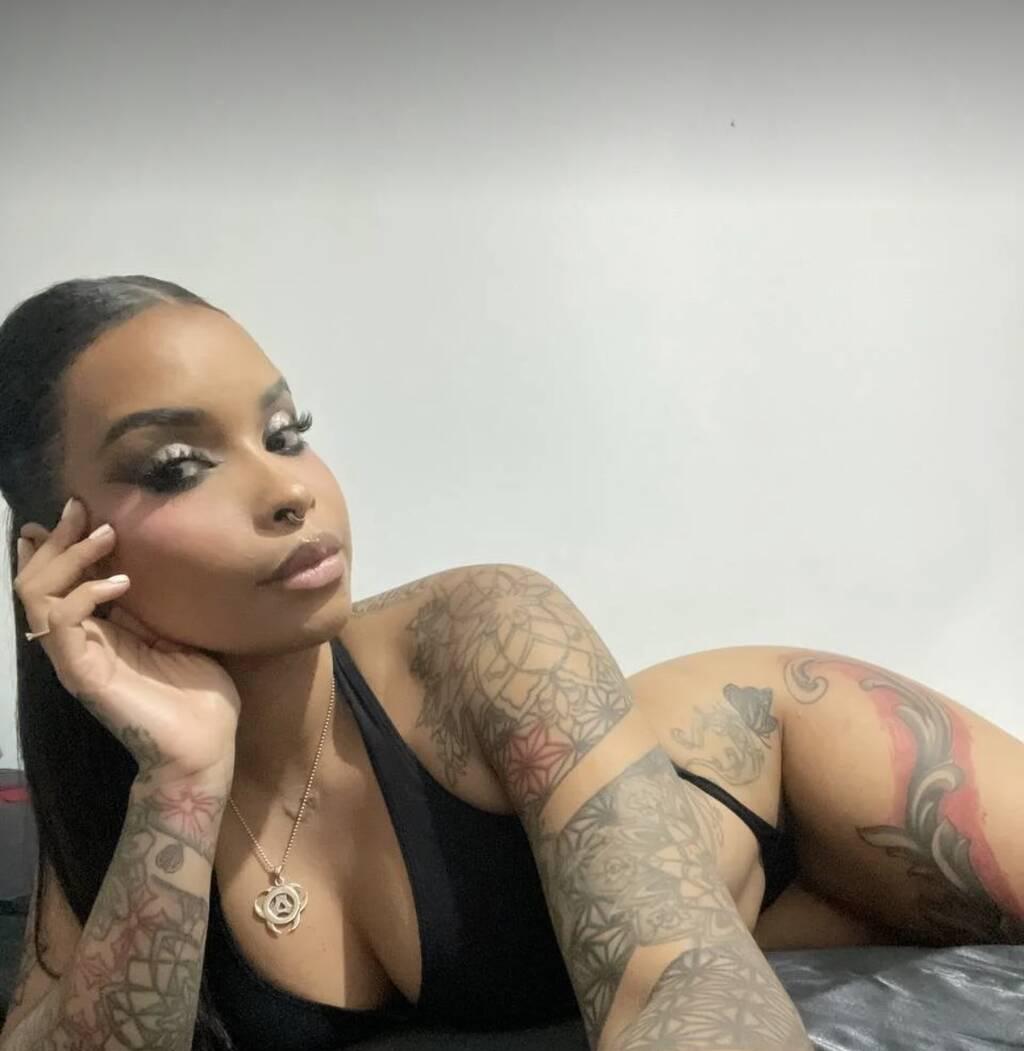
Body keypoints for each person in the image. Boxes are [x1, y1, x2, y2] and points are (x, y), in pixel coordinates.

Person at [0, 277, 1019, 1051]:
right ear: (58, 554)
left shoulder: (484, 633)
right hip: (787, 919)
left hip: (798, 773)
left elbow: (682, 977)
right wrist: (180, 781)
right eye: (178, 465)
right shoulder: (115, 779)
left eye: (285, 431)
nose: (289, 490)